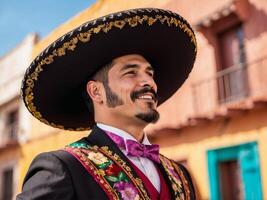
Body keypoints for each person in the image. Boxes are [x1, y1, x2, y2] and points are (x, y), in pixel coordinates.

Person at [17, 7, 197, 200]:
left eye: (150, 74)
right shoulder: (64, 167)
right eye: (131, 73)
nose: (149, 82)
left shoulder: (179, 174)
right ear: (97, 92)